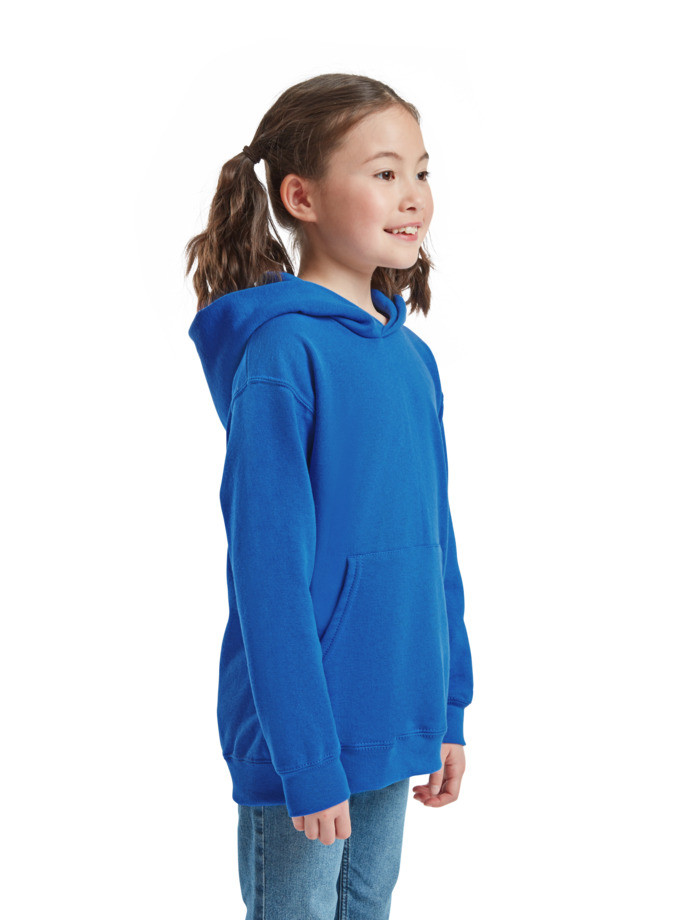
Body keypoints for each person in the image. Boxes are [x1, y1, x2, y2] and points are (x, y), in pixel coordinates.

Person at [185, 72, 474, 919]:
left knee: (366, 908)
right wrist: (306, 758)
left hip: (393, 710)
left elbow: (435, 544)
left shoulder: (410, 359)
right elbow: (267, 575)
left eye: (420, 171)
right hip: (302, 734)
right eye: (383, 173)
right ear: (300, 197)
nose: (413, 195)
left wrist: (446, 707)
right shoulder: (282, 355)